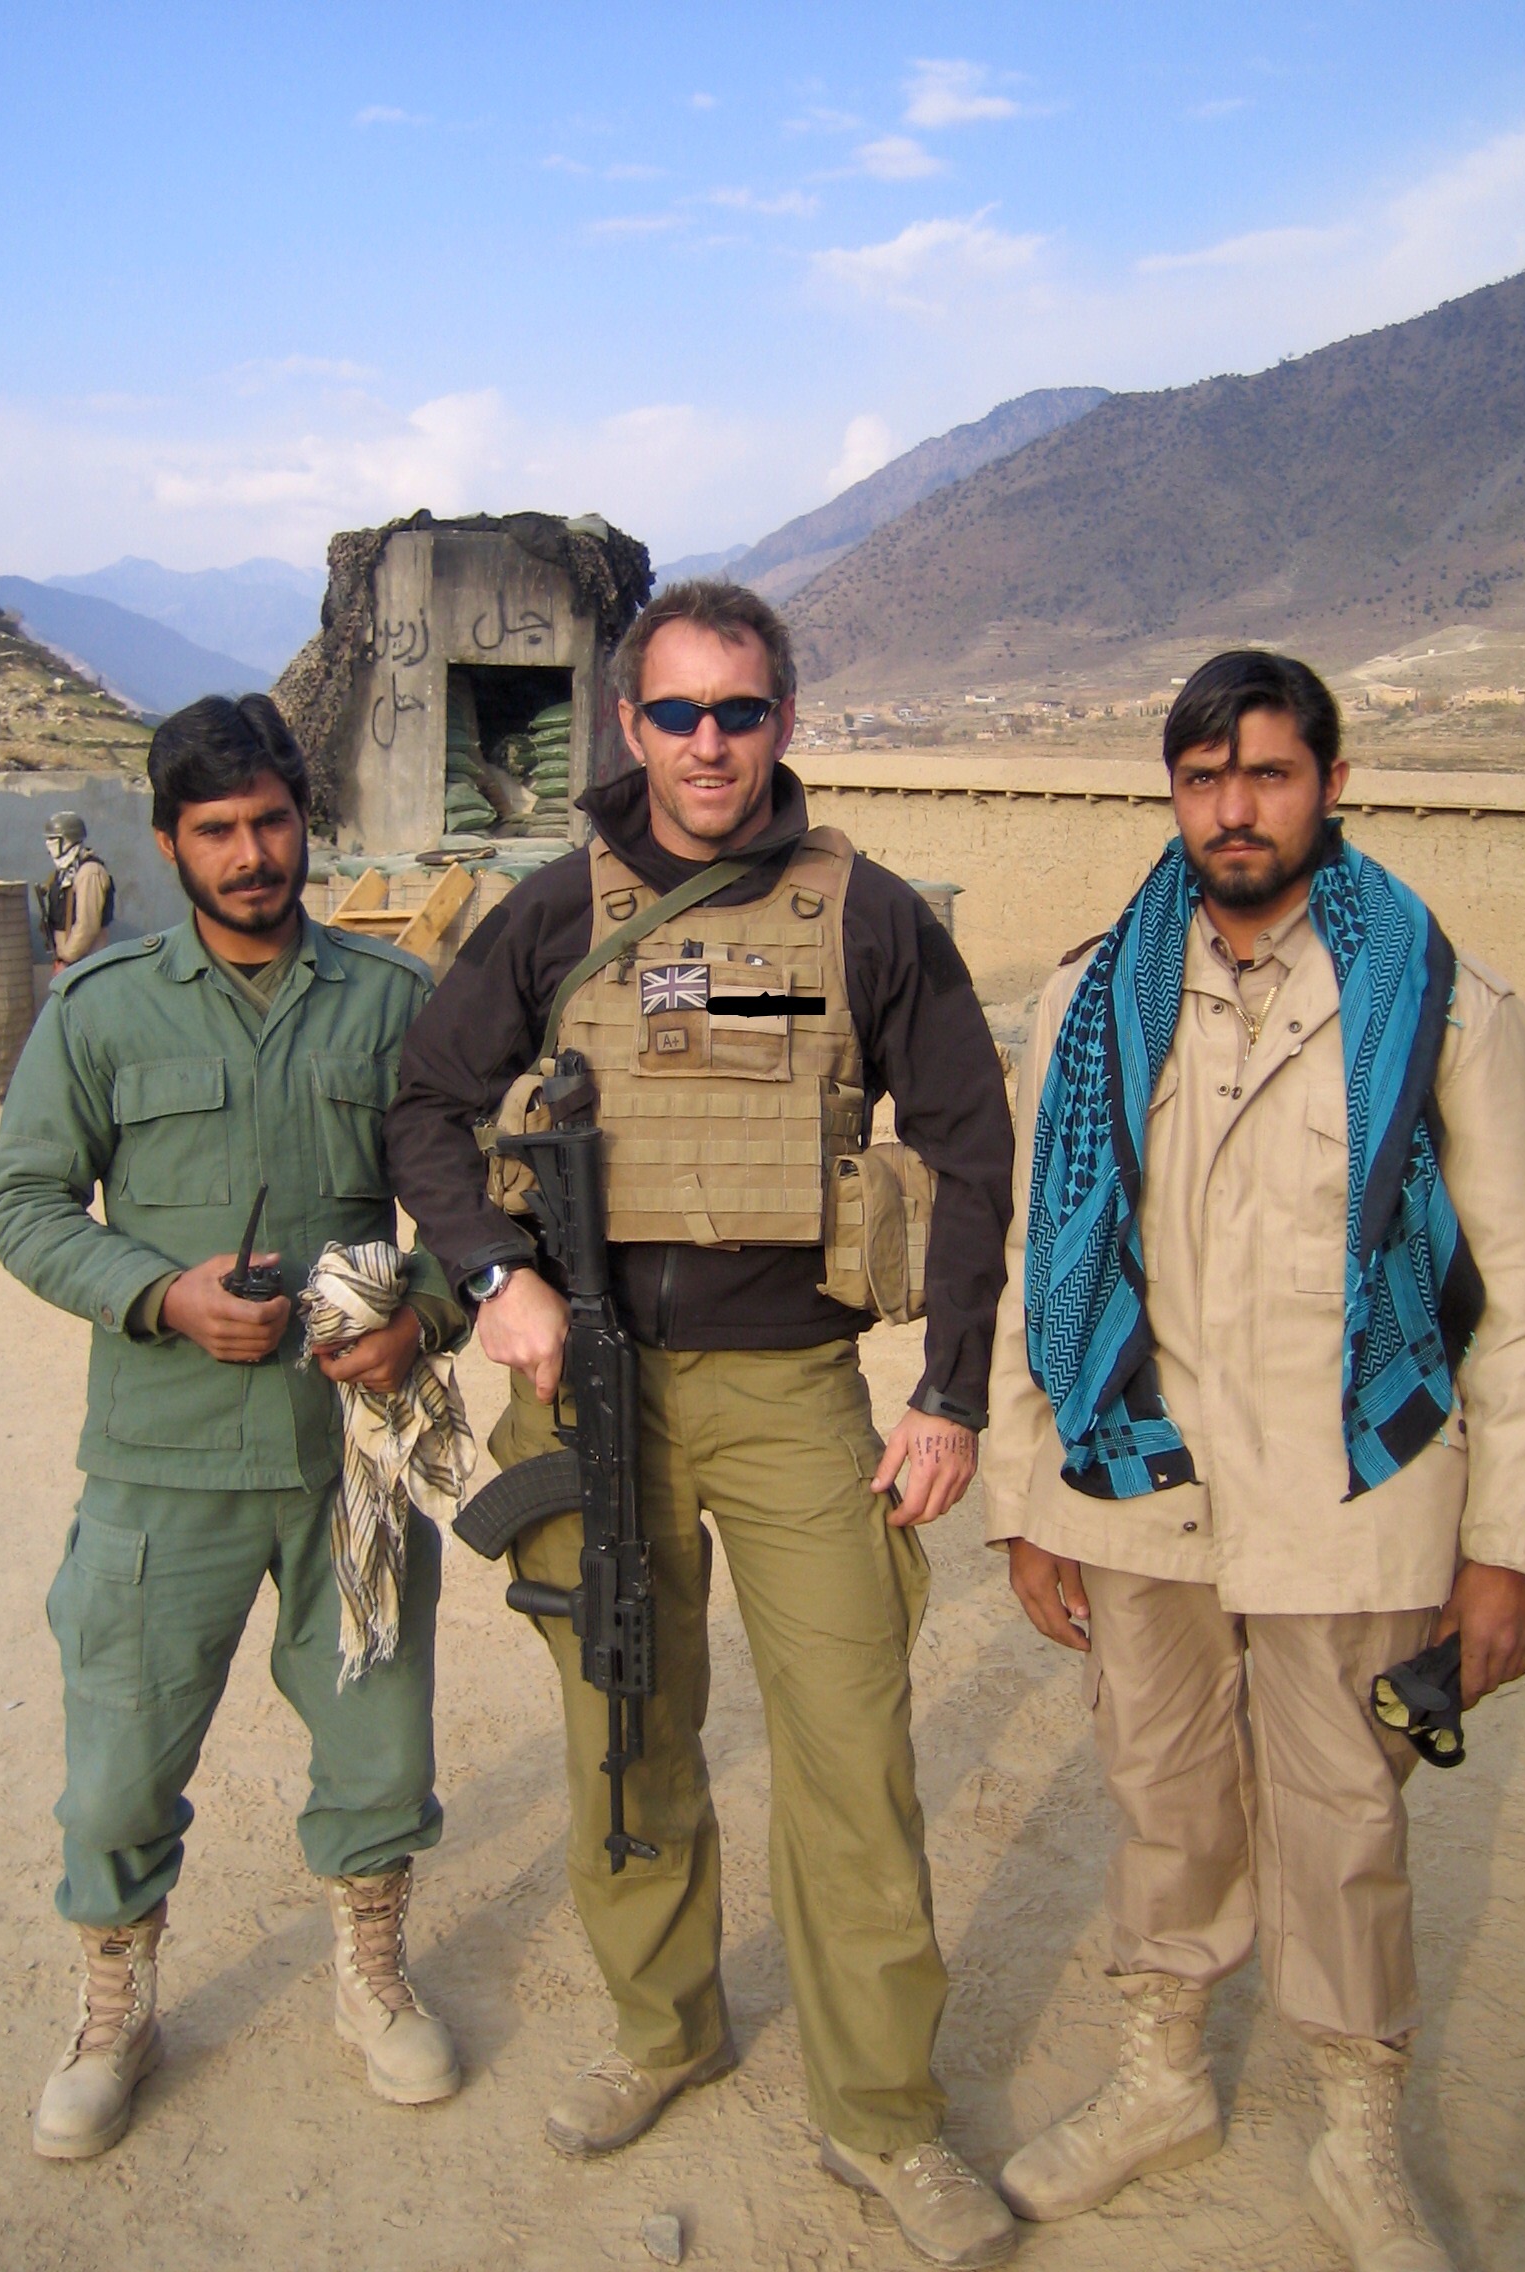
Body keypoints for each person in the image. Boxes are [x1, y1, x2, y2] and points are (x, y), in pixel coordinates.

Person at [388, 580, 1019, 2268]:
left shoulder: (862, 916)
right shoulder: (546, 912)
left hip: (794, 1395)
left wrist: (948, 1386)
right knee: (626, 1731)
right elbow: (426, 1107)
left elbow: (969, 1143)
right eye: (675, 712)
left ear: (783, 720)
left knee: (849, 1762)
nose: (707, 742)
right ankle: (664, 2031)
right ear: (626, 727)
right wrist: (490, 1277)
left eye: (738, 710)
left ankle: (883, 2116)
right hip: (585, 1387)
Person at [982, 650, 1525, 2271]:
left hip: (1350, 1509)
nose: (1232, 806)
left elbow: (1514, 1300)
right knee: (1159, 1795)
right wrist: (1032, 1503)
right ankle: (1161, 2078)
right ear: (1170, 792)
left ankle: (1358, 2137)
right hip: (1137, 1487)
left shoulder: (1436, 1000)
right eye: (1202, 776)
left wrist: (1503, 1546)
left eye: (1267, 773)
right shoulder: (1085, 1000)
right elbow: (1040, 1265)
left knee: (1341, 1818)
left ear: (1330, 783)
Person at [0, 695, 465, 2160]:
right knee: (122, 1762)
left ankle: (373, 1974)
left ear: (300, 820)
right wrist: (160, 1294)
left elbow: (465, 1201)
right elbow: (21, 1204)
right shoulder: (101, 1009)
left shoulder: (392, 1002)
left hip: (351, 1465)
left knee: (379, 1744)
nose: (251, 855)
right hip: (162, 1462)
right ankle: (114, 2002)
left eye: (270, 822)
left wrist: (422, 1317)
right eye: (216, 831)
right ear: (167, 839)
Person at [40, 810, 115, 968]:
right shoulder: (63, 873)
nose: (48, 845)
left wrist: (67, 959)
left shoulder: (89, 872)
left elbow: (87, 926)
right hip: (68, 962)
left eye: (53, 839)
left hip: (85, 963)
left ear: (67, 840)